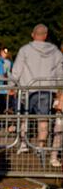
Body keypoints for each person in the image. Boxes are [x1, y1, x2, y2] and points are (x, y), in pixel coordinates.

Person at [11, 24, 63, 155]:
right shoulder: (55, 52)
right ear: (45, 35)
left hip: (27, 88)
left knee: (24, 117)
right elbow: (60, 73)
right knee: (43, 119)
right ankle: (41, 146)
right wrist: (59, 90)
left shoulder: (25, 50)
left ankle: (23, 143)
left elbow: (17, 70)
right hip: (46, 89)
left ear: (33, 34)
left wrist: (12, 85)